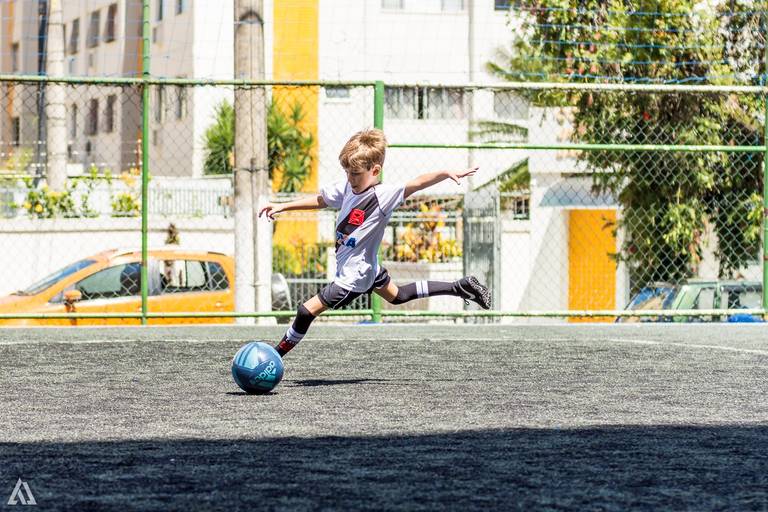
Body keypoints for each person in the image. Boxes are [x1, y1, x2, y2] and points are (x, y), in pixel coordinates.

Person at [258, 128, 491, 356]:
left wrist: (445, 173)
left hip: (354, 275)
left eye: (356, 173)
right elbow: (321, 199)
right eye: (348, 172)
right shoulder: (348, 187)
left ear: (375, 169)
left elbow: (416, 184)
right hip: (368, 267)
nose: (350, 178)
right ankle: (460, 287)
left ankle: (274, 357)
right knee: (398, 296)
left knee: (306, 311)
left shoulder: (382, 196)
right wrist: (283, 206)